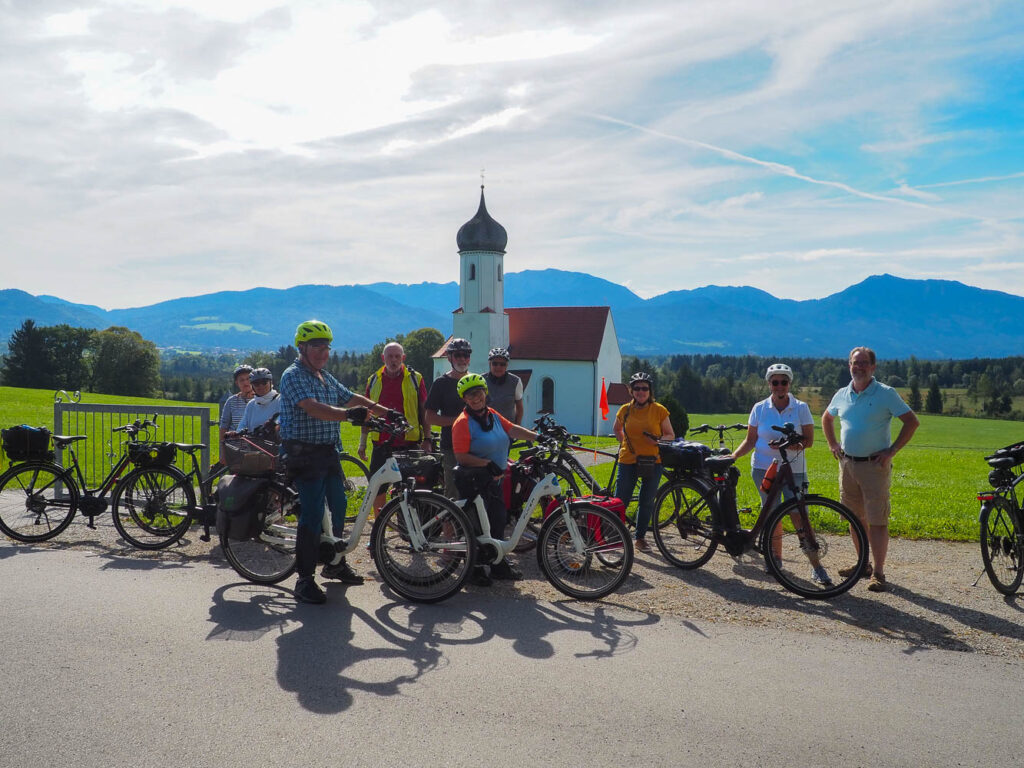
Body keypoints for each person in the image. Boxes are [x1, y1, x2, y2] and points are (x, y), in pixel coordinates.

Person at [279, 320, 399, 605]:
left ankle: (335, 562)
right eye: (317, 346)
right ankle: (304, 579)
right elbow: (312, 408)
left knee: (340, 505)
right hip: (303, 454)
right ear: (303, 348)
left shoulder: (323, 375)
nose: (323, 352)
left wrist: (387, 412)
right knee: (311, 515)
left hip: (327, 452)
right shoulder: (292, 375)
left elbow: (350, 397)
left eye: (326, 347)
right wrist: (348, 416)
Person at [821, 346, 919, 593]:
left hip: (874, 467)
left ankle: (878, 572)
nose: (859, 367)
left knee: (877, 520)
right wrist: (833, 444)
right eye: (855, 363)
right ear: (849, 366)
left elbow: (911, 422)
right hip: (848, 465)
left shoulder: (885, 393)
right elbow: (826, 418)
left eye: (864, 363)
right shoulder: (842, 394)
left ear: (873, 367)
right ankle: (862, 564)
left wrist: (892, 451)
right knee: (855, 519)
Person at [451, 373, 539, 585]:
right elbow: (461, 456)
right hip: (474, 482)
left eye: (478, 392)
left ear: (485, 392)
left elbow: (512, 429)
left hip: (495, 480)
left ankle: (498, 564)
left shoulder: (492, 414)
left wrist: (537, 437)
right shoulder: (462, 423)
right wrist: (484, 463)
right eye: (470, 395)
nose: (475, 398)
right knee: (477, 527)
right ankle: (474, 569)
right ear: (464, 399)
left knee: (498, 521)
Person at [729, 363, 816, 573]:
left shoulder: (801, 408)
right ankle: (775, 558)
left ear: (789, 384)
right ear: (769, 384)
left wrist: (790, 445)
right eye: (775, 382)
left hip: (794, 469)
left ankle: (814, 561)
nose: (779, 386)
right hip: (763, 468)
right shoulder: (759, 408)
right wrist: (733, 456)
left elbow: (809, 440)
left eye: (783, 382)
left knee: (798, 513)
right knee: (771, 513)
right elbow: (750, 440)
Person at [358, 342, 430, 514]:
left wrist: (427, 439)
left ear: (403, 358)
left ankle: (408, 530)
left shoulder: (415, 378)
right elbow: (366, 414)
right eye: (390, 356)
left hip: (408, 443)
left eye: (397, 356)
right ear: (383, 358)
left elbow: (424, 410)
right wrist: (362, 444)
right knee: (378, 489)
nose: (394, 360)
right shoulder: (373, 380)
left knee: (407, 490)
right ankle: (379, 529)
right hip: (381, 443)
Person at [613, 372, 674, 552]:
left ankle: (640, 538)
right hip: (628, 460)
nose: (641, 392)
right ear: (631, 391)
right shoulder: (624, 409)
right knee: (620, 500)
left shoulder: (659, 410)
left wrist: (657, 441)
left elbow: (670, 435)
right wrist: (625, 443)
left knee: (646, 501)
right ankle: (616, 536)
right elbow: (617, 429)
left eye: (644, 388)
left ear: (650, 391)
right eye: (637, 388)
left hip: (652, 461)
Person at [424, 338, 473, 497]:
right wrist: (458, 421)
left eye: (465, 355)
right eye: (457, 355)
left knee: (476, 491)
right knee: (453, 490)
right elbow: (430, 417)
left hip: (476, 445)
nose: (462, 359)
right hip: (451, 446)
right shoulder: (441, 383)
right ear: (449, 358)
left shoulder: (476, 381)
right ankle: (449, 522)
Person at [219, 364, 255, 458]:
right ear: (237, 383)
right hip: (234, 450)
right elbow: (224, 427)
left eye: (248, 379)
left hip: (255, 449)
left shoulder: (260, 400)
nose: (245, 382)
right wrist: (223, 453)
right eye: (241, 380)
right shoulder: (231, 401)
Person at [483, 347, 524, 424]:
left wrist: (517, 427)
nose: (498, 367)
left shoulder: (515, 381)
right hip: (486, 428)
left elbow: (519, 408)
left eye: (502, 364)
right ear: (490, 364)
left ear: (507, 365)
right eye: (495, 364)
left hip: (508, 429)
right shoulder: (481, 380)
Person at [235, 368, 281, 436]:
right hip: (254, 445)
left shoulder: (281, 400)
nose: (261, 386)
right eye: (256, 383)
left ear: (271, 382)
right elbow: (242, 426)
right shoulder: (251, 405)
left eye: (264, 382)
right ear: (252, 386)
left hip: (276, 444)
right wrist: (235, 433)